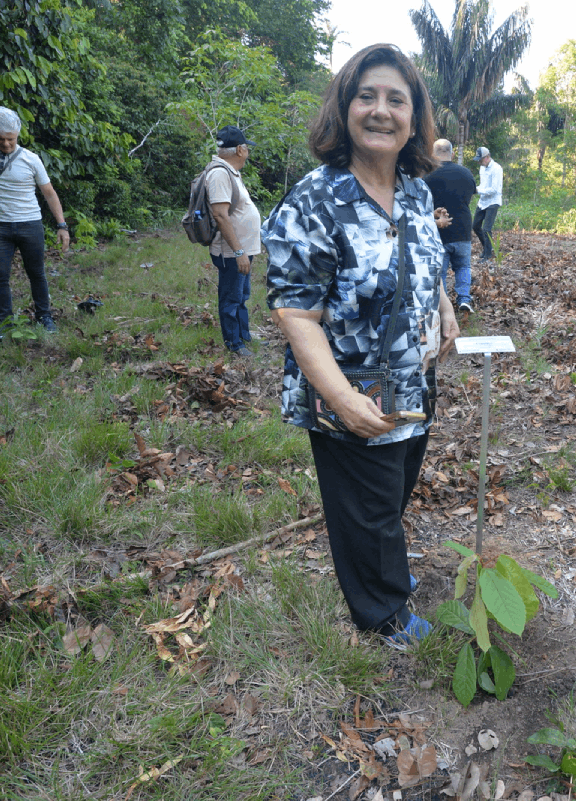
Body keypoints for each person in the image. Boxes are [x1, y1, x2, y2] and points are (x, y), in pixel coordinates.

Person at [262, 44, 459, 647]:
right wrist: (343, 398)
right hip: (350, 384)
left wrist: (445, 307)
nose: (380, 110)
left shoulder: (417, 191)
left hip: (413, 380)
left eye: (396, 99)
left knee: (392, 490)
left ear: (414, 118)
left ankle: (378, 566)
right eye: (366, 96)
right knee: (367, 505)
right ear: (344, 108)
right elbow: (295, 311)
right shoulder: (315, 200)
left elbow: (424, 260)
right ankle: (383, 615)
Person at [0, 106, 70, 336]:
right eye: (0, 139)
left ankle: (44, 316)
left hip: (30, 224)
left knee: (36, 273)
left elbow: (49, 193)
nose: (6, 144)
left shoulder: (31, 159)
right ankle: (4, 323)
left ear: (18, 134)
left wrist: (62, 225)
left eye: (11, 139)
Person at [206, 125, 261, 356]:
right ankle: (234, 344)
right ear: (240, 149)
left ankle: (244, 335)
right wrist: (239, 252)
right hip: (231, 252)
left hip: (241, 250)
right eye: (246, 147)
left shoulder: (230, 171)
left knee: (242, 295)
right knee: (231, 297)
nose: (247, 151)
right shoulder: (219, 173)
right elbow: (220, 215)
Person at [423, 138, 477, 313]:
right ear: (452, 154)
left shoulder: (427, 175)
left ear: (433, 154)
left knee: (441, 272)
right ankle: (464, 299)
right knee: (463, 266)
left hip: (439, 231)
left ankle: (445, 306)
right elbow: (469, 198)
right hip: (463, 229)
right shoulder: (466, 173)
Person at [472, 146, 502, 264]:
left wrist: (478, 191)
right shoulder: (482, 168)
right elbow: (483, 185)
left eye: (480, 159)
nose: (479, 162)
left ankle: (488, 256)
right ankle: (487, 247)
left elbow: (494, 189)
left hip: (493, 201)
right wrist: (474, 188)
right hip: (483, 201)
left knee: (486, 229)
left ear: (487, 157)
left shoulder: (497, 169)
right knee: (475, 225)